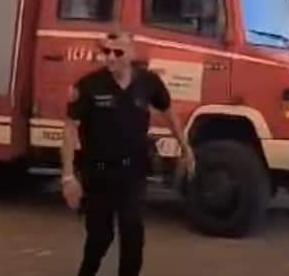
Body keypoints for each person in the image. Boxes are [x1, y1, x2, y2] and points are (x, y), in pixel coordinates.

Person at [60, 31, 195, 276]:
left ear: (131, 54)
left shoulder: (148, 83)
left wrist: (186, 148)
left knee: (133, 236)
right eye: (106, 52)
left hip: (132, 172)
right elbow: (70, 128)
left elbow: (169, 113)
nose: (110, 58)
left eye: (118, 52)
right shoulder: (89, 86)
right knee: (100, 238)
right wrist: (68, 177)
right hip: (98, 174)